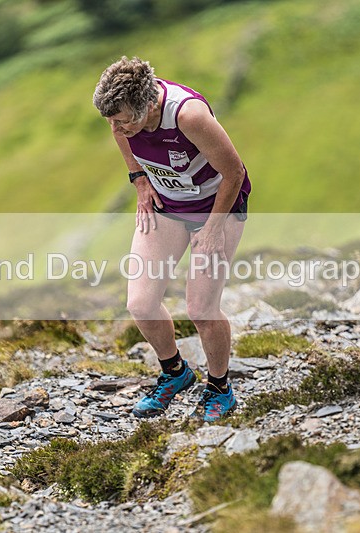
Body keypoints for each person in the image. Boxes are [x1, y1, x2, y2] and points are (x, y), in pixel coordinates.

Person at [93, 56, 251, 422]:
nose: (116, 128)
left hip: (217, 205)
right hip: (168, 205)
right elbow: (120, 133)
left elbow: (235, 172)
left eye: (123, 120)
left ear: (149, 105)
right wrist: (139, 179)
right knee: (141, 303)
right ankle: (175, 372)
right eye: (110, 120)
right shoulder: (124, 114)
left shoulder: (188, 116)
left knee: (201, 309)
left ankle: (219, 388)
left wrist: (213, 228)